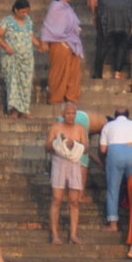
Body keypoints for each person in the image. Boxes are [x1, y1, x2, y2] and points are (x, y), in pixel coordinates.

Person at [44, 103, 87, 245]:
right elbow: (48, 147)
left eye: (73, 113)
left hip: (74, 164)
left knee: (74, 201)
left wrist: (74, 144)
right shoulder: (56, 128)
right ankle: (54, 234)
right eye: (68, 113)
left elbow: (86, 148)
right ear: (63, 115)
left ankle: (74, 235)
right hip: (59, 164)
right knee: (57, 199)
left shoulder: (80, 129)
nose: (70, 116)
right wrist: (59, 142)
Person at [37, 0, 84, 105]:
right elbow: (49, 26)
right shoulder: (56, 7)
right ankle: (56, 98)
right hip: (60, 44)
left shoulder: (67, 7)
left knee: (73, 72)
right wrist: (45, 41)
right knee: (59, 72)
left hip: (72, 43)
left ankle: (71, 97)